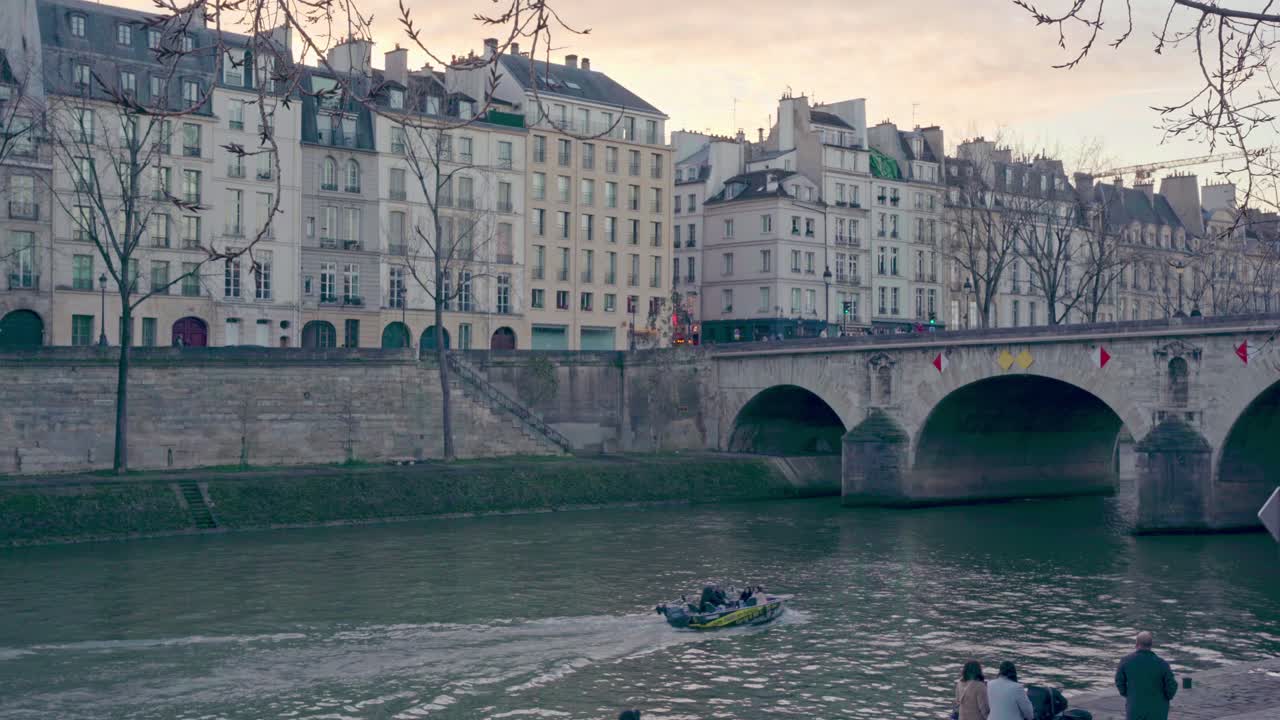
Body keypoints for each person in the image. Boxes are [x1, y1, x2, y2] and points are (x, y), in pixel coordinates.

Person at [1115, 631, 1177, 720]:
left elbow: (1119, 681)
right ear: (1151, 645)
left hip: (1135, 709)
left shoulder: (1125, 661)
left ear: (1136, 644)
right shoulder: (1162, 664)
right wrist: (1166, 698)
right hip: (1158, 711)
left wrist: (1128, 695)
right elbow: (1172, 685)